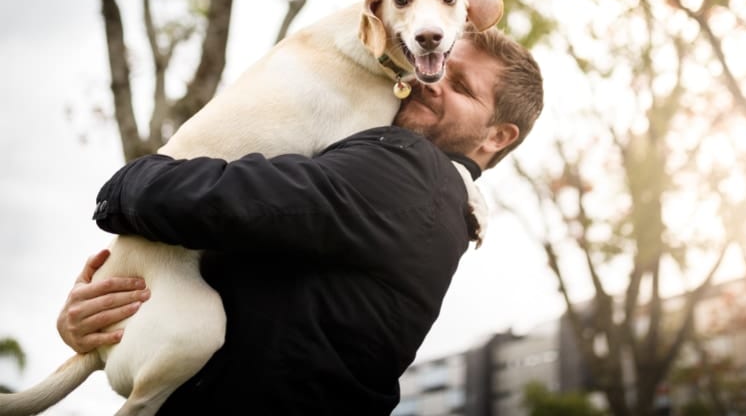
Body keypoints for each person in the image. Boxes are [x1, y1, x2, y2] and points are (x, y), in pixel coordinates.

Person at [56, 26, 544, 414]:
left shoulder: (411, 167)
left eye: (460, 87)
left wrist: (125, 184)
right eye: (439, 67)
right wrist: (100, 330)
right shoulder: (442, 209)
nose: (433, 81)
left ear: (498, 136)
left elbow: (215, 201)